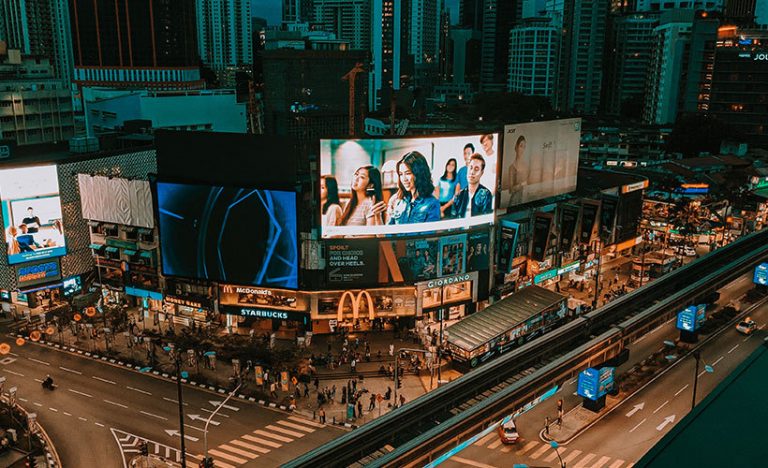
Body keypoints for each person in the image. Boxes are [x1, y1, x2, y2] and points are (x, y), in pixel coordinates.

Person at [388, 151, 441, 225]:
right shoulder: (399, 202)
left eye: (408, 173)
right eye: (400, 174)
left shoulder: (432, 204)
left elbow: (431, 236)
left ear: (419, 174)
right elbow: (389, 233)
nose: (404, 179)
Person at [504, 135, 528, 206]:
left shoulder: (526, 166)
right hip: (514, 203)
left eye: (524, 147)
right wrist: (522, 184)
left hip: (523, 202)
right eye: (521, 146)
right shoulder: (511, 168)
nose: (522, 149)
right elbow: (510, 190)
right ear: (516, 147)